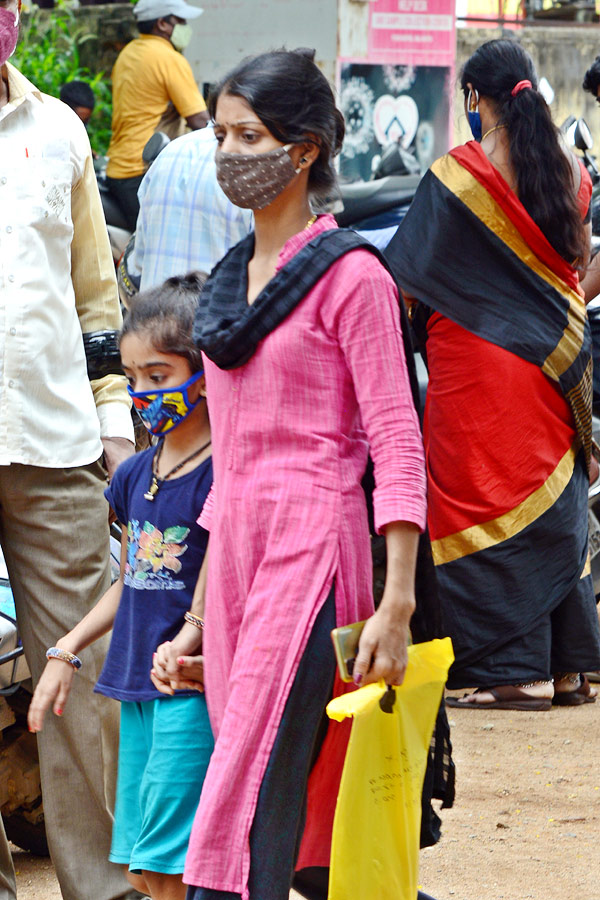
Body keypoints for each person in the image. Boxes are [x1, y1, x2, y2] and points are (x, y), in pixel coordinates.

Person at [151, 48, 427, 900]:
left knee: (246, 786)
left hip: (316, 545)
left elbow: (397, 437)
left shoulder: (351, 278)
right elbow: (227, 466)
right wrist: (196, 619)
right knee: (272, 781)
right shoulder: (227, 286)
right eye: (221, 134)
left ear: (304, 149)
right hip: (235, 559)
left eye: (250, 136)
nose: (229, 153)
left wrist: (397, 598)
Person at [386, 39, 600, 711]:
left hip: (474, 367)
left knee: (474, 500)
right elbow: (573, 263)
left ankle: (507, 669)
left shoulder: (456, 180)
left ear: (475, 99)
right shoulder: (573, 175)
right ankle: (568, 667)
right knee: (552, 486)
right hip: (554, 360)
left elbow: (405, 282)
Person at [0, 4, 137, 900]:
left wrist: (117, 418)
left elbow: (96, 297)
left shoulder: (57, 131)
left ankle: (107, 885)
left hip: (54, 441)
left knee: (84, 670)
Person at [28, 274, 214, 900]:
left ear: (207, 371)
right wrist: (67, 647)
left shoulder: (229, 471)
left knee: (174, 865)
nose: (142, 394)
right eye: (133, 379)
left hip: (187, 688)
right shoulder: (136, 472)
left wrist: (195, 634)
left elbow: (227, 572)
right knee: (142, 867)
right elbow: (130, 579)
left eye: (159, 377)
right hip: (134, 685)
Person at [105, 0, 209, 231]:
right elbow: (200, 121)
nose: (185, 27)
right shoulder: (169, 58)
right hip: (144, 170)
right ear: (162, 24)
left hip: (118, 168)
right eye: (180, 21)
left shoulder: (128, 53)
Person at [131, 125, 253, 292]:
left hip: (153, 312)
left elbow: (139, 259)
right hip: (216, 313)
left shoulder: (170, 152)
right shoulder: (255, 165)